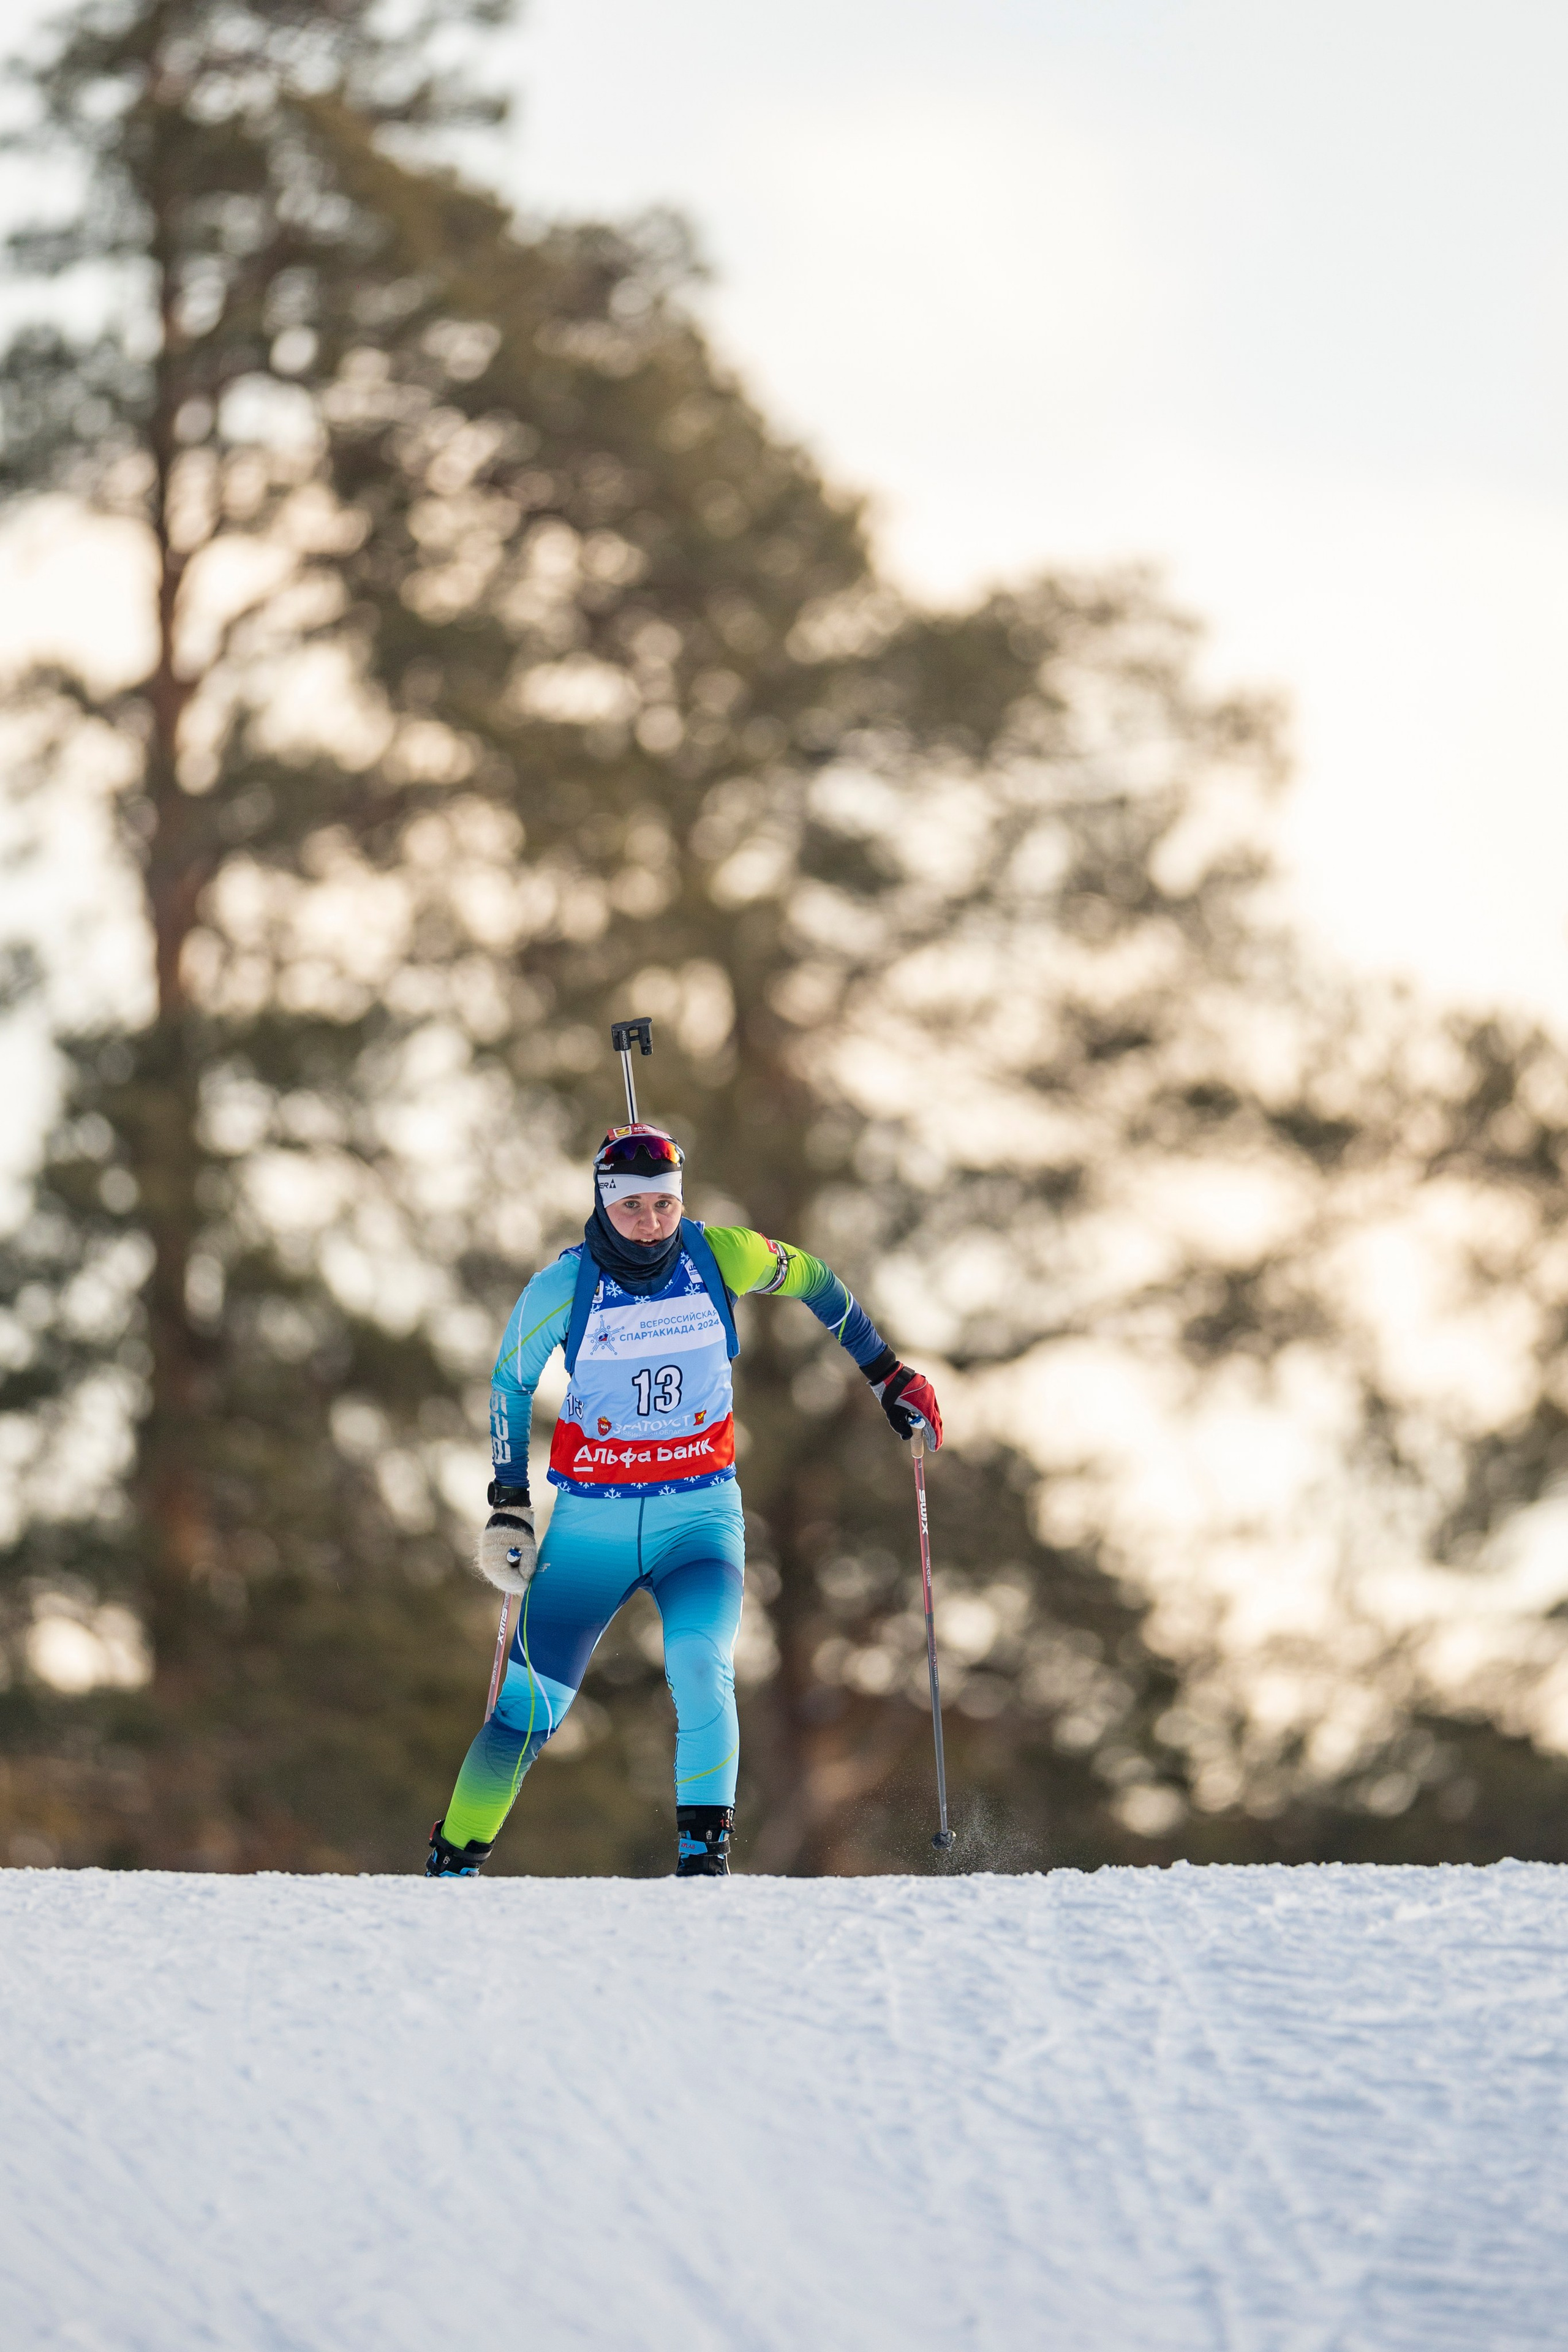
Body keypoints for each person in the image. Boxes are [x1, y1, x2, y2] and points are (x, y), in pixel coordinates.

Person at [425, 1122, 943, 1879]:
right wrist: (509, 1502)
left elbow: (816, 1281)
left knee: (700, 1665)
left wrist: (887, 1375)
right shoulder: (562, 1286)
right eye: (632, 1207)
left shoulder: (719, 1254)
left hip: (697, 1519)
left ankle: (704, 1869)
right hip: (590, 1527)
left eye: (663, 1206)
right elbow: (510, 1382)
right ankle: (449, 1868)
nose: (650, 1223)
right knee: (526, 1711)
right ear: (604, 1206)